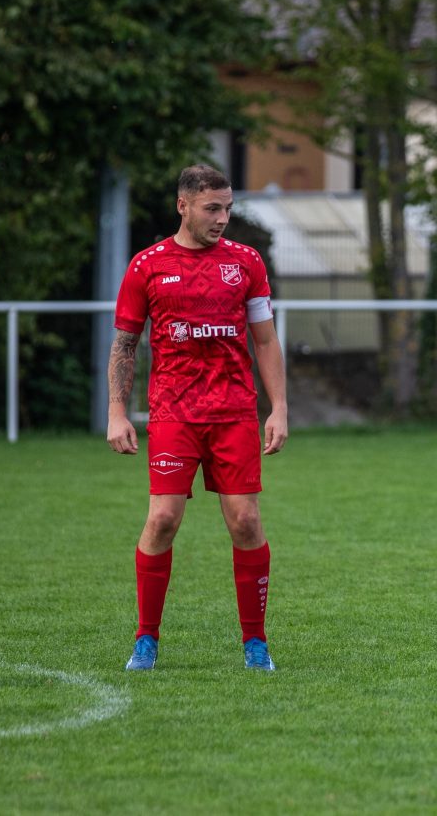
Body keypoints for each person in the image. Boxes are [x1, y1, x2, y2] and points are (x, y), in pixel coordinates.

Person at [107, 164, 288, 671]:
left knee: (246, 520)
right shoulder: (147, 266)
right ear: (183, 205)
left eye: (228, 207)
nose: (223, 218)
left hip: (233, 412)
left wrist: (279, 408)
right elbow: (125, 344)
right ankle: (146, 638)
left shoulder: (246, 262)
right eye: (213, 208)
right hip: (173, 413)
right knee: (162, 519)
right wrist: (117, 412)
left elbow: (266, 340)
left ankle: (255, 643)